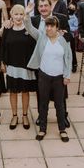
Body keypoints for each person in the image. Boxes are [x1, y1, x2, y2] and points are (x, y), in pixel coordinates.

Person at [24, 12, 73, 142]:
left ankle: (62, 129)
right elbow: (29, 27)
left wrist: (67, 75)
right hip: (44, 76)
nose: (49, 28)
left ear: (57, 27)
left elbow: (68, 58)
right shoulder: (41, 37)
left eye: (52, 26)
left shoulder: (63, 40)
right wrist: (27, 14)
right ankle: (43, 129)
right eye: (47, 26)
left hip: (59, 77)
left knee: (59, 104)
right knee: (43, 103)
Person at [0, 5, 37, 130]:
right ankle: (14, 115)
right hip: (12, 65)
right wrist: (2, 62)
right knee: (13, 91)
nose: (18, 17)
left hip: (25, 66)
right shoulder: (7, 28)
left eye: (21, 14)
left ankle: (25, 115)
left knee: (25, 91)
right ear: (11, 15)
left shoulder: (29, 29)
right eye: (16, 14)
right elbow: (3, 46)